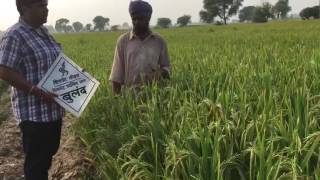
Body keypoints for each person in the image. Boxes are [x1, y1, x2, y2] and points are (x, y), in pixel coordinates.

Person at [0, 0, 64, 179]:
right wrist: (37, 91)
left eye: (46, 4)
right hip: (34, 115)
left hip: (52, 111)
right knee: (36, 165)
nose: (46, 9)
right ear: (24, 8)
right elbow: (5, 71)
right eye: (41, 5)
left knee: (46, 158)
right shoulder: (15, 35)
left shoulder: (43, 32)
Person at [109, 0, 171, 94]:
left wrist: (157, 75)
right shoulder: (123, 41)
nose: (136, 22)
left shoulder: (159, 41)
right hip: (129, 98)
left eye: (141, 19)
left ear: (148, 18)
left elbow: (167, 68)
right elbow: (116, 75)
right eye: (134, 19)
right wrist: (116, 101)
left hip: (155, 96)